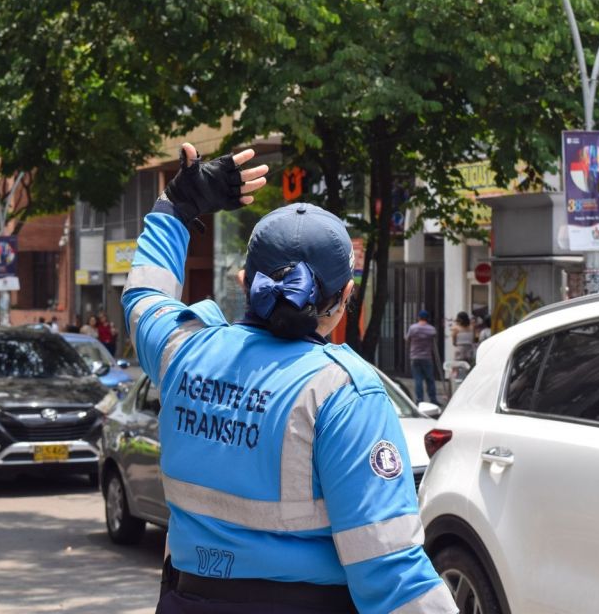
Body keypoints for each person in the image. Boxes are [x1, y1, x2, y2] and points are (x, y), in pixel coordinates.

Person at [123, 143, 455, 614]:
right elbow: (390, 570)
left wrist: (175, 208)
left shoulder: (183, 353)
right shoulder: (344, 393)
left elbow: (142, 298)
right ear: (345, 296)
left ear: (243, 282)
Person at [405, 310, 439, 404]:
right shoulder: (431, 329)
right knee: (430, 379)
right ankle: (433, 399)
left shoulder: (413, 328)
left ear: (419, 317)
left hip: (415, 357)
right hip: (427, 357)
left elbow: (407, 339)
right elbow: (435, 339)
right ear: (427, 318)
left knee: (418, 379)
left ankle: (419, 399)